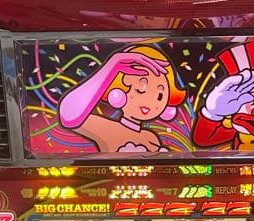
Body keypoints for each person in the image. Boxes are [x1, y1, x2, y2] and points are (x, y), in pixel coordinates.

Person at [57, 45, 186, 153]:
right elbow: (68, 116)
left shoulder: (151, 137)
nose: (148, 102)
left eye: (160, 96)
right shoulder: (106, 128)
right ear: (118, 92)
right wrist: (112, 65)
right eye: (140, 89)